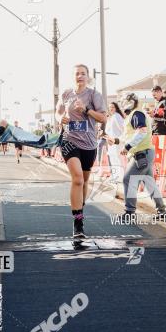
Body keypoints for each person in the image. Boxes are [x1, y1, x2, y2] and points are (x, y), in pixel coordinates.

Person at [56, 64, 106, 239]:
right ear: (73, 77)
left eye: (83, 74)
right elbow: (57, 112)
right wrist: (59, 118)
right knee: (77, 179)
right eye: (77, 73)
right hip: (69, 141)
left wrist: (86, 110)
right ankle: (78, 223)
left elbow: (103, 118)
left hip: (89, 144)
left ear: (87, 77)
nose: (80, 76)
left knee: (84, 182)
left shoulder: (94, 95)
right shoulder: (66, 94)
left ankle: (80, 207)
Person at [112, 91, 166, 216]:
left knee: (128, 179)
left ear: (130, 102)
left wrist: (127, 146)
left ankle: (130, 212)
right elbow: (130, 136)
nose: (122, 104)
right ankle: (162, 211)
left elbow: (141, 132)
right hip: (144, 152)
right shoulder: (133, 115)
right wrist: (115, 140)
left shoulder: (136, 114)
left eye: (123, 101)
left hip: (142, 153)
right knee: (149, 183)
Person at [105, 101, 125, 183]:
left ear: (116, 108)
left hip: (117, 142)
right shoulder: (112, 117)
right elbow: (108, 131)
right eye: (110, 107)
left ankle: (120, 178)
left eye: (112, 107)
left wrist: (119, 139)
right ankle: (115, 176)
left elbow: (123, 129)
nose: (111, 109)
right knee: (113, 159)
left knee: (117, 159)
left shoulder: (117, 116)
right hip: (111, 142)